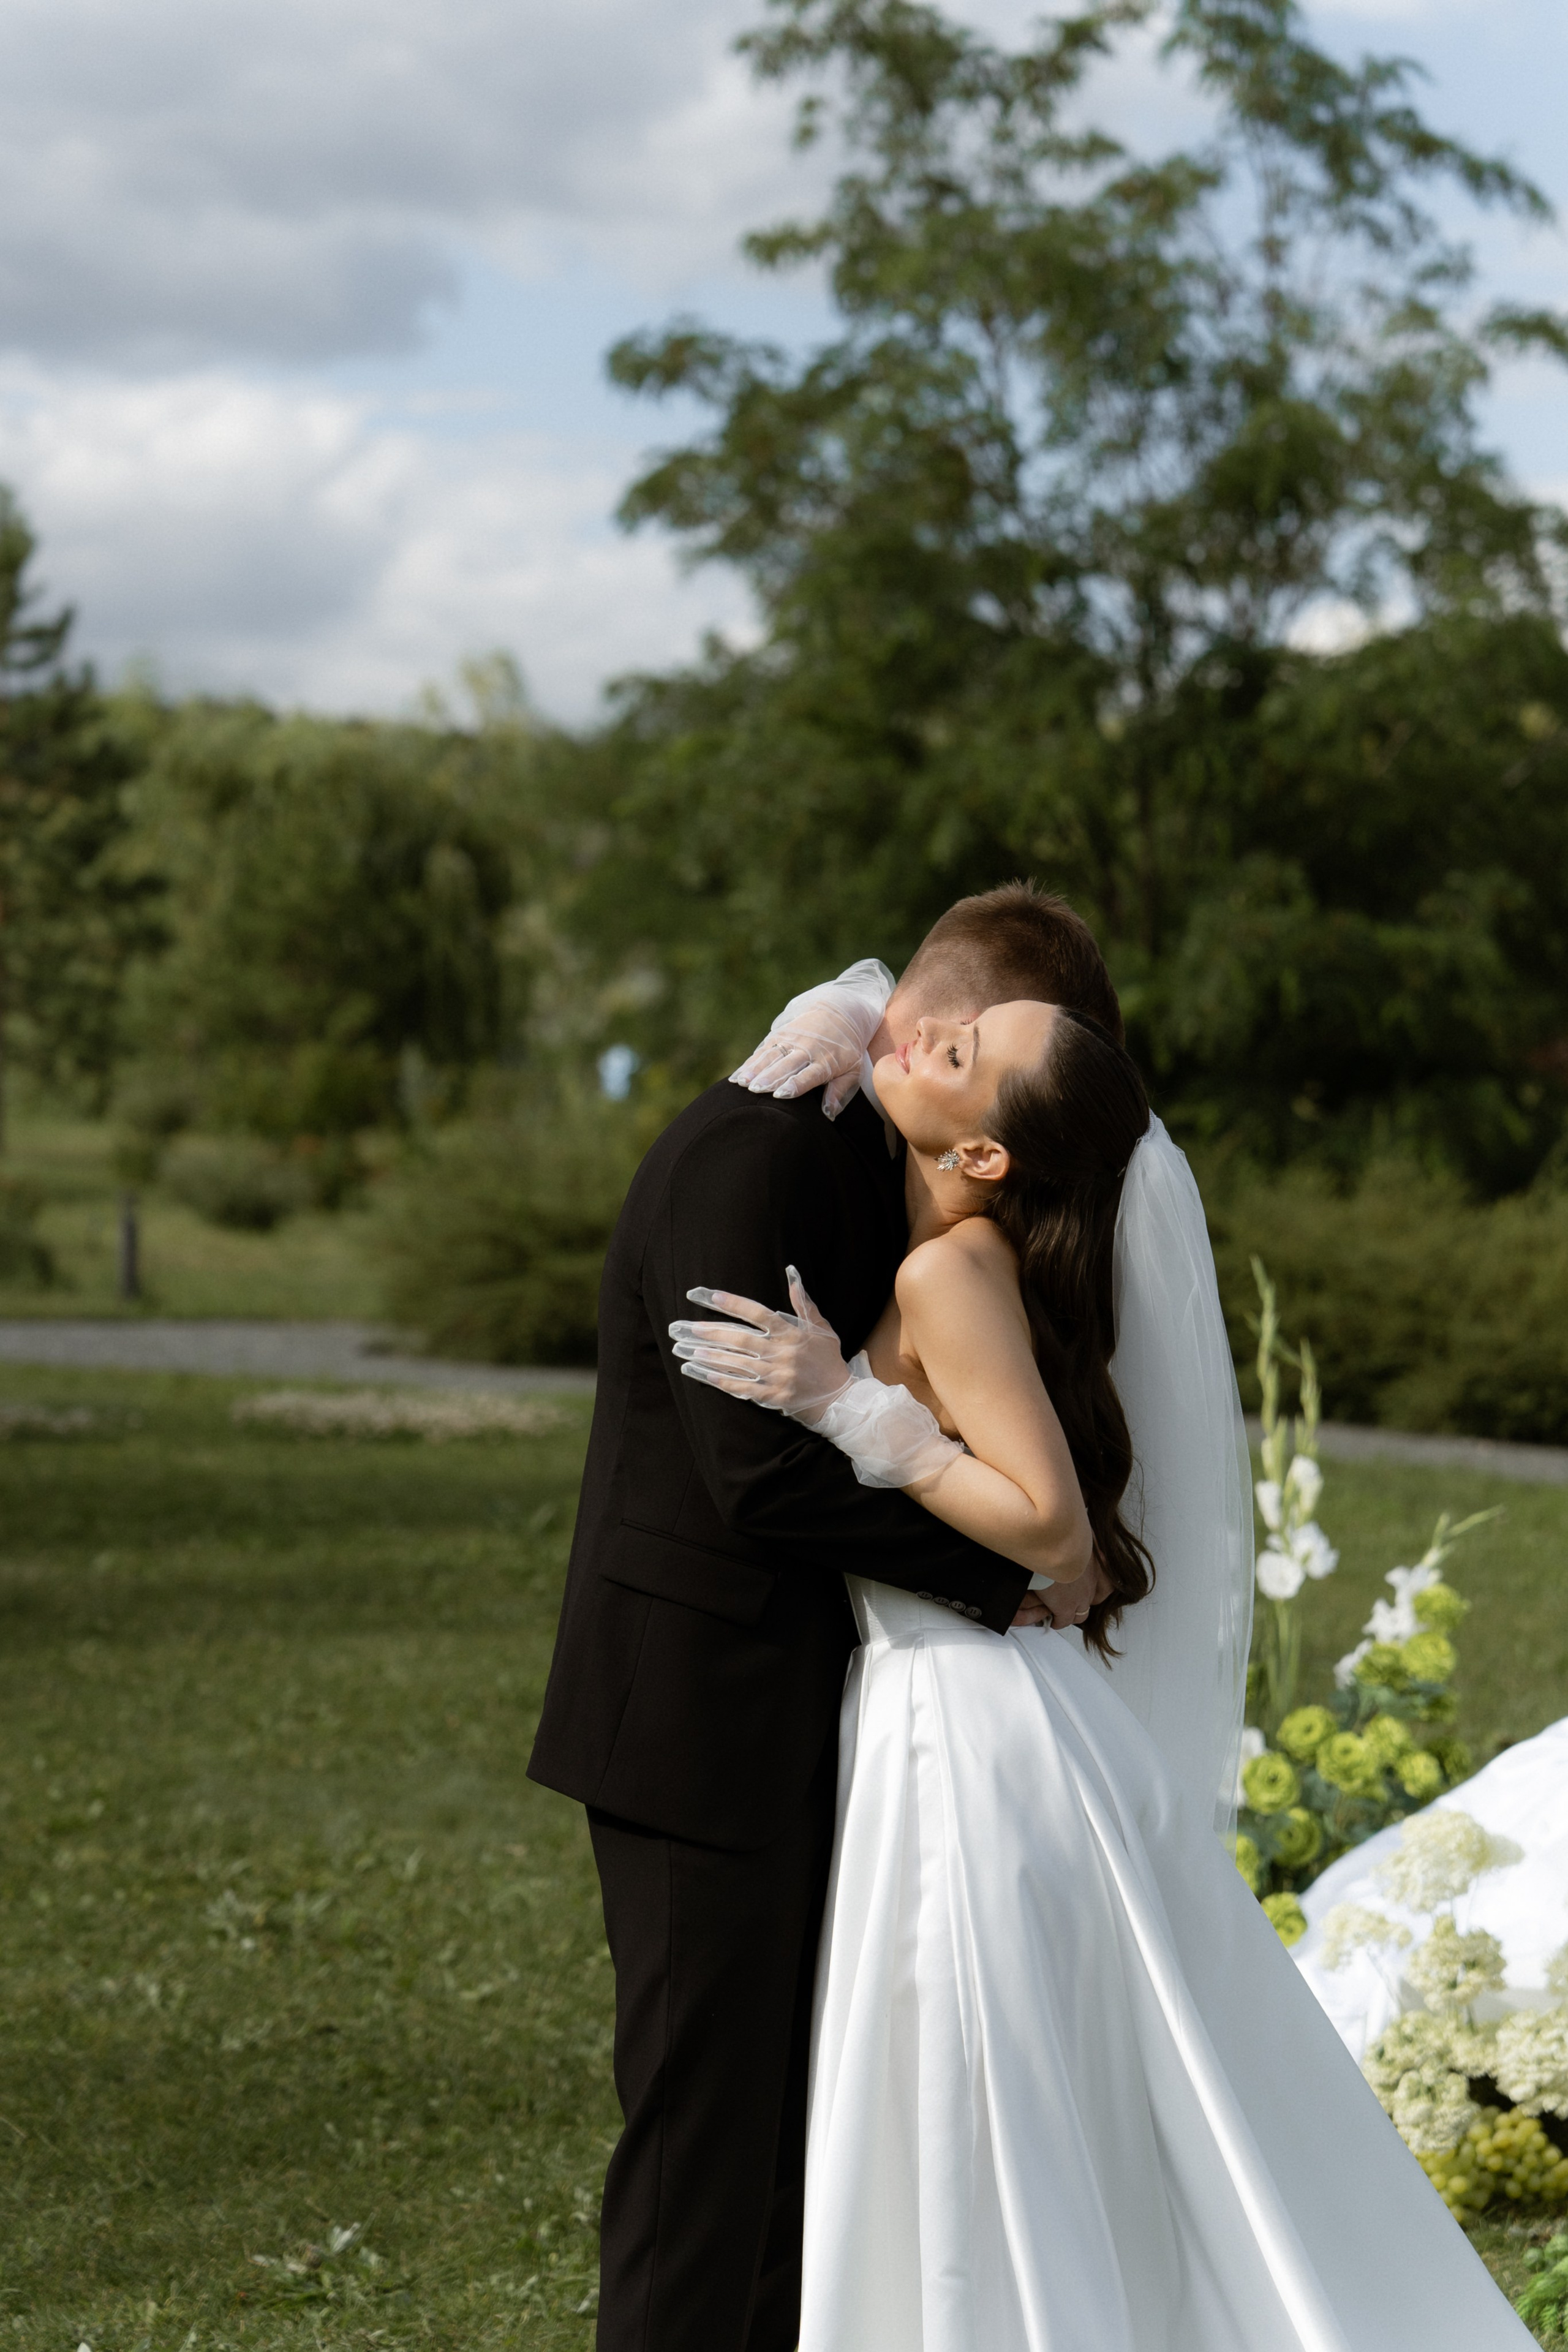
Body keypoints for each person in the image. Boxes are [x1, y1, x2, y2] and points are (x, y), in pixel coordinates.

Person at [671, 987, 1536, 2348]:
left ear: (984, 1154)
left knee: (978, 2097)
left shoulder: (944, 1275)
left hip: (966, 1725)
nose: (920, 1032)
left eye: (958, 1047)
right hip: (941, 1699)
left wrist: (846, 1405)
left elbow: (1052, 1532)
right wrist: (845, 1004)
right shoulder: (970, 1252)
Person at [527, 884, 1121, 2352]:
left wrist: (852, 998)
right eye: (949, 1034)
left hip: (828, 1707)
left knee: (799, 2142)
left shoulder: (894, 1149)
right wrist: (1003, 1581)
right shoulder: (760, 1149)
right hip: (694, 1710)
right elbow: (750, 1481)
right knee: (699, 2150)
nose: (926, 1052)